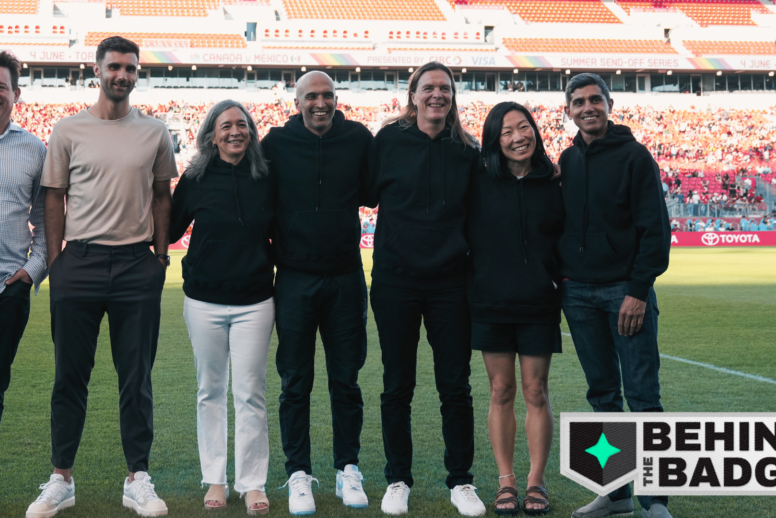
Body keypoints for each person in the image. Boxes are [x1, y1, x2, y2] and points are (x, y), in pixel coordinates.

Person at [27, 36, 177, 518]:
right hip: (81, 264)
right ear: (97, 70)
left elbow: (161, 196)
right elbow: (54, 198)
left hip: (137, 265)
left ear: (137, 74)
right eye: (115, 67)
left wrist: (158, 258)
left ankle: (138, 478)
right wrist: (57, 262)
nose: (123, 75)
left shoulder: (155, 131)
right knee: (70, 376)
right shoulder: (68, 129)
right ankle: (61, 479)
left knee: (137, 378)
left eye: (131, 69)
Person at [364, 61, 485, 517]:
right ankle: (398, 479)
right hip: (396, 281)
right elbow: (362, 192)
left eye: (445, 88)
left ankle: (461, 481)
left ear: (453, 97)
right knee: (398, 385)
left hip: (452, 283)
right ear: (412, 94)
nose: (437, 95)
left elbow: (481, 214)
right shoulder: (388, 141)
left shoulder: (466, 150)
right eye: (428, 88)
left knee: (455, 386)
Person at [557, 73, 672, 518]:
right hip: (579, 294)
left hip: (625, 292)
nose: (588, 108)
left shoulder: (635, 157)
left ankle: (656, 498)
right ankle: (616, 493)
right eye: (579, 102)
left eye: (594, 100)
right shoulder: (565, 160)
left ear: (609, 103)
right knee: (602, 395)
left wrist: (639, 291)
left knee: (643, 396)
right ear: (568, 110)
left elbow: (655, 230)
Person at [260, 71, 372, 515]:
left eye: (327, 95)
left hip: (345, 277)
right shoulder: (274, 143)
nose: (320, 103)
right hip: (293, 279)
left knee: (346, 380)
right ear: (297, 100)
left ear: (336, 99)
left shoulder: (359, 138)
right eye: (311, 96)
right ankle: (298, 473)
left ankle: (348, 468)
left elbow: (376, 189)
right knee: (295, 382)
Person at [169, 100, 275, 515]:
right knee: (209, 392)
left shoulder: (267, 177)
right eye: (226, 125)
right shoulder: (195, 178)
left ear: (251, 131)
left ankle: (253, 483)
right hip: (203, 300)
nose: (235, 131)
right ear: (211, 134)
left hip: (255, 301)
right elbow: (170, 226)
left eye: (242, 124)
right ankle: (215, 478)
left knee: (251, 393)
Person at [466, 102, 564, 516]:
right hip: (491, 300)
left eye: (524, 127)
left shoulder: (554, 180)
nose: (518, 137)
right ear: (494, 139)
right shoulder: (479, 178)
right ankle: (506, 480)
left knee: (536, 391)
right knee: (501, 390)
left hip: (539, 300)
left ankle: (535, 481)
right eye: (506, 132)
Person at [0, 50, 48, 426]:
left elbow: (46, 220)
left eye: (2, 86)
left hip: (7, 290)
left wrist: (31, 272)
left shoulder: (34, 149)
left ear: (17, 94)